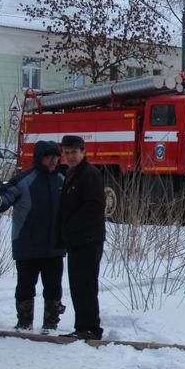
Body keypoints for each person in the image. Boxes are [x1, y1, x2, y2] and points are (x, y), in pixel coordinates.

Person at [0, 141, 67, 332]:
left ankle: (50, 324)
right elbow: (5, 198)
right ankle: (24, 323)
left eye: (56, 157)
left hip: (55, 246)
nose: (54, 160)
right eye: (49, 157)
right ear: (39, 159)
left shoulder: (63, 180)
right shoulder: (24, 180)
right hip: (27, 244)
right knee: (25, 286)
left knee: (53, 287)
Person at [57, 135, 106, 340]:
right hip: (77, 239)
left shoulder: (89, 174)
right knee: (78, 285)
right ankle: (82, 326)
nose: (70, 156)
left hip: (87, 239)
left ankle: (90, 328)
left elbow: (94, 206)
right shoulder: (72, 174)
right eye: (67, 153)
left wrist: (71, 226)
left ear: (83, 152)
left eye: (74, 152)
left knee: (85, 284)